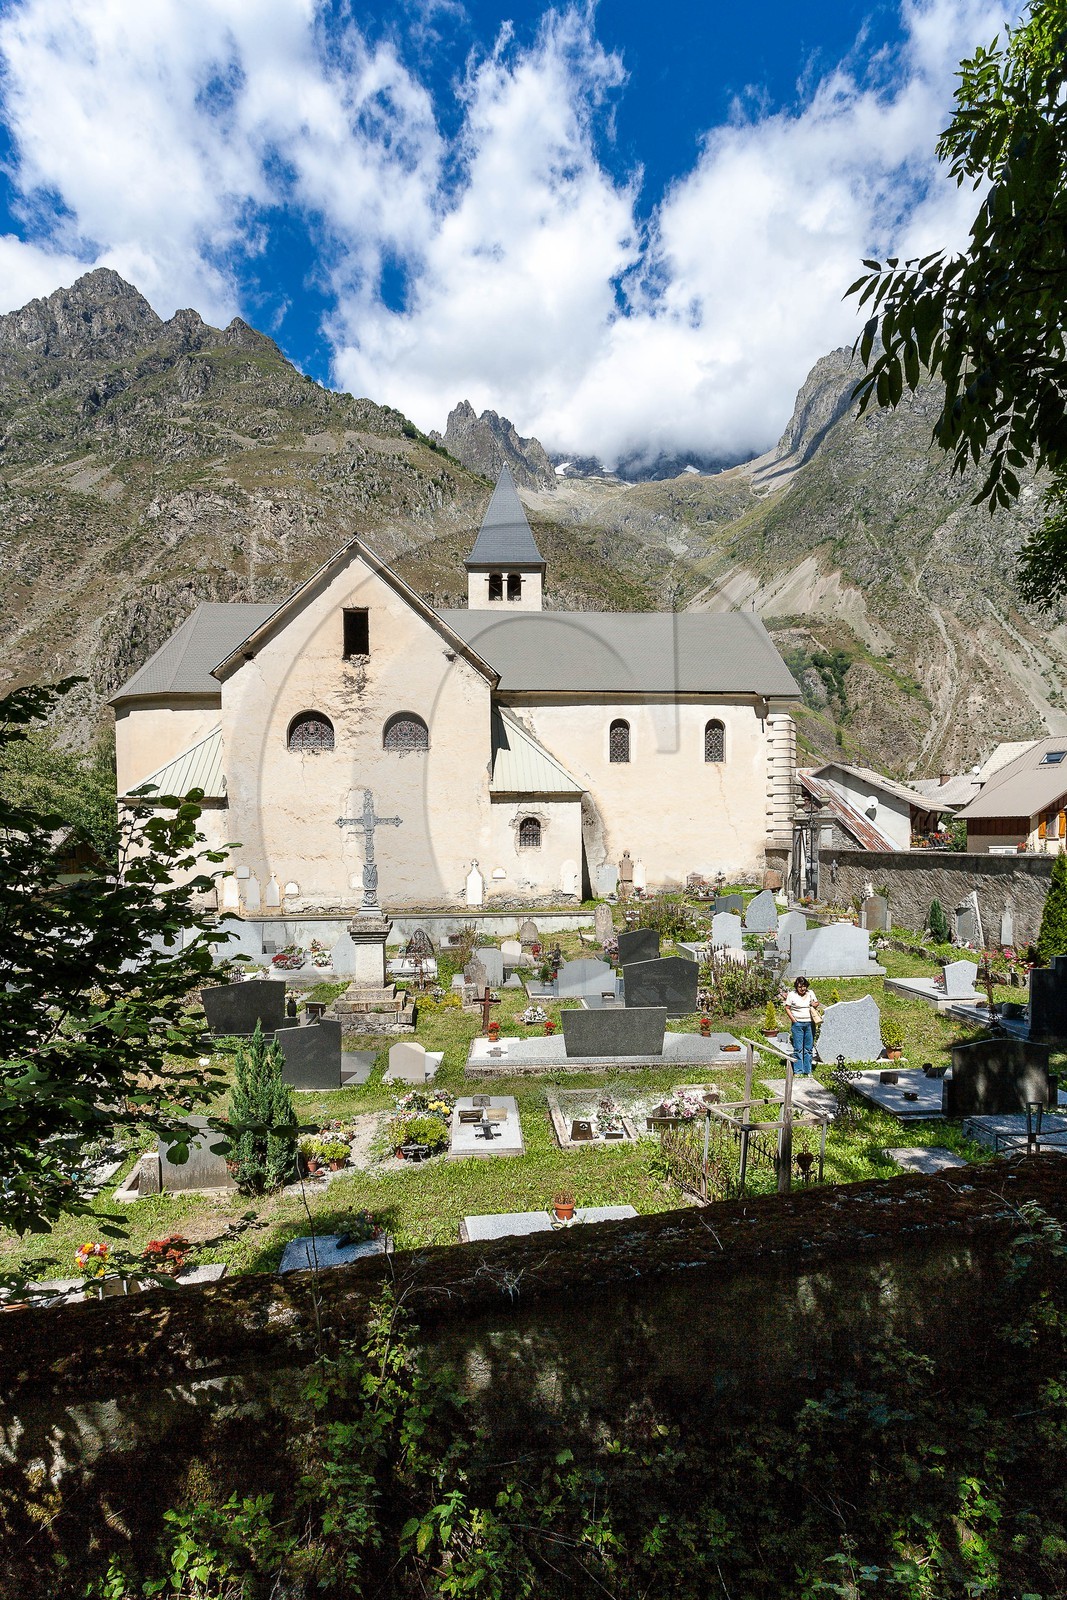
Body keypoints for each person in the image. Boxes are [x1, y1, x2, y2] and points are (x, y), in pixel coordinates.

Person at [784, 975, 820, 1077]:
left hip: (810, 1023)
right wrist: (794, 1020)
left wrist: (815, 1004)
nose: (802, 989)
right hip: (798, 1024)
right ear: (796, 986)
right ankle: (798, 1070)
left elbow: (817, 1003)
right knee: (798, 1048)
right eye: (800, 987)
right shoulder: (792, 994)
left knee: (808, 1048)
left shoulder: (810, 993)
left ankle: (808, 1070)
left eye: (804, 986)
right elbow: (787, 1008)